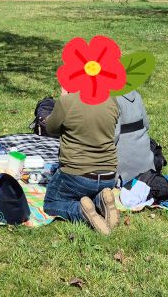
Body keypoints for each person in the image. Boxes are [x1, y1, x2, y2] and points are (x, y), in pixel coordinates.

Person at [43, 88, 120, 234]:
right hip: (109, 176)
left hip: (77, 175)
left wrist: (63, 100)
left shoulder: (67, 102)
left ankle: (80, 211)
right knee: (90, 194)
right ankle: (101, 200)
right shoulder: (111, 99)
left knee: (51, 203)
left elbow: (50, 128)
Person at [114, 89, 155, 184]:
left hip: (123, 169)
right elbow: (146, 125)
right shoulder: (136, 95)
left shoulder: (110, 99)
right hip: (147, 166)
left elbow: (113, 136)